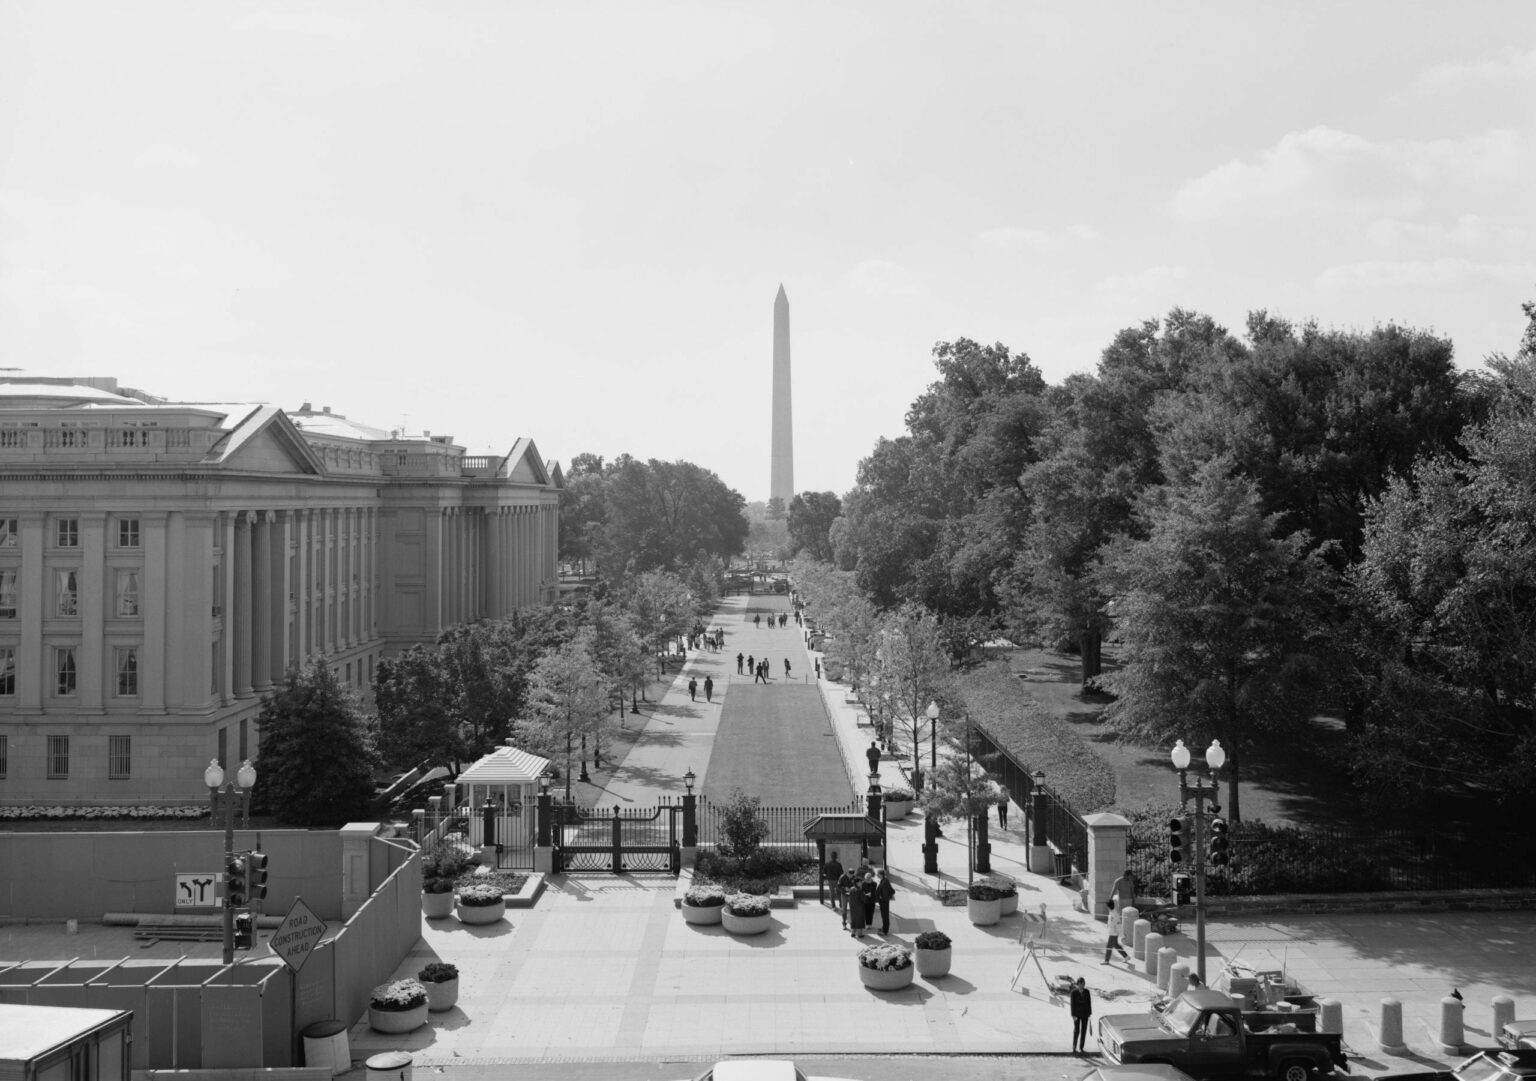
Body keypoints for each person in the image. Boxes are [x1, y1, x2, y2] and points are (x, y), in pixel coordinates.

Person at [1103, 899, 1132, 965]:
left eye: (1107, 906)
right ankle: (1126, 957)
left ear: (1109, 906)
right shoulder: (1111, 912)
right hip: (1112, 932)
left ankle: (1106, 961)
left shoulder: (1115, 914)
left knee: (1109, 947)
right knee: (1116, 946)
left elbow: (1119, 926)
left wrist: (1122, 937)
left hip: (1114, 934)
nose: (1106, 907)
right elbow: (1110, 922)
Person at [1070, 977, 1093, 1052]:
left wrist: (1089, 1013)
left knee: (1084, 1031)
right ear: (1078, 984)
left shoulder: (1087, 992)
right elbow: (1072, 1005)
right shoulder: (1073, 993)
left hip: (1085, 1014)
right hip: (1076, 1014)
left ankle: (1081, 1047)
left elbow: (1089, 1003)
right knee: (1076, 1031)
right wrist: (1073, 1015)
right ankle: (1074, 1047)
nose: (1082, 985)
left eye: (1083, 984)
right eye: (1080, 984)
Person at [874, 868, 895, 933]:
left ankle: (885, 931)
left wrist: (881, 898)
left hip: (884, 902)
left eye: (877, 874)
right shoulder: (884, 880)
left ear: (881, 874)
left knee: (885, 916)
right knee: (884, 916)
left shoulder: (884, 882)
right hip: (883, 901)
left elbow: (885, 893)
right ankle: (884, 928)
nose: (876, 875)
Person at [846, 871, 867, 936]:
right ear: (857, 883)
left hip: (852, 907)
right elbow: (864, 899)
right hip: (859, 908)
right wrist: (866, 896)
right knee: (860, 920)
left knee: (853, 920)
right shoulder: (859, 890)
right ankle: (860, 934)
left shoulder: (851, 889)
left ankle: (853, 933)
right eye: (860, 882)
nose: (861, 883)